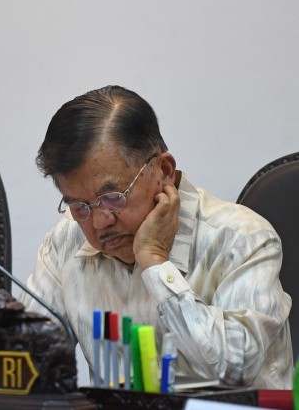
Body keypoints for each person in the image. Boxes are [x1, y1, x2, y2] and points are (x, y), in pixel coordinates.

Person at [21, 85, 292, 388]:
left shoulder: (241, 238)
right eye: (79, 205)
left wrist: (155, 262)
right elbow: (28, 362)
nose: (99, 222)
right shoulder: (65, 243)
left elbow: (236, 366)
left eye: (112, 196)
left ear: (163, 170)